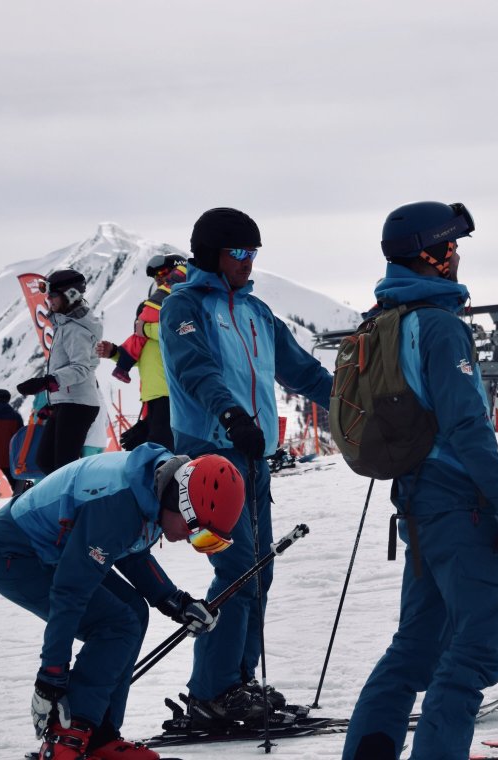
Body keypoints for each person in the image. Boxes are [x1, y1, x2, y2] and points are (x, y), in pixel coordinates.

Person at [343, 201, 498, 760]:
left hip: (418, 505)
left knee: (416, 646)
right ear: (434, 255)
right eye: (453, 246)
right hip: (460, 503)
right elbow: (466, 424)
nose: (458, 256)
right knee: (475, 648)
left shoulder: (386, 322)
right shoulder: (440, 327)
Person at [160, 207, 335, 726]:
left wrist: (355, 403)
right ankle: (212, 692)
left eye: (253, 252)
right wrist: (231, 414)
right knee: (236, 570)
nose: (247, 261)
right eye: (238, 252)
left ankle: (237, 683)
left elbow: (302, 371)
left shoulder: (256, 310)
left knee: (261, 570)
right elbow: (195, 370)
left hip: (253, 457)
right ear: (211, 253)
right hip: (211, 457)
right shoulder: (184, 306)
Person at [0, 447, 242, 760]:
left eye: (206, 540)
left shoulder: (157, 486)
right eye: (194, 531)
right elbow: (71, 592)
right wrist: (51, 674)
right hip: (12, 552)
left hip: (57, 548)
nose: (189, 539)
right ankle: (65, 738)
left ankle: (99, 735)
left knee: (134, 613)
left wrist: (174, 600)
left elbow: (131, 549)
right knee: (116, 623)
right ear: (179, 502)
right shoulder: (118, 505)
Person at [17, 269, 104, 472]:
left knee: (63, 466)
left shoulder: (76, 329)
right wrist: (53, 403)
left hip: (79, 404)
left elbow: (81, 368)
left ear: (71, 295)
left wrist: (46, 382)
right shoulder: (64, 325)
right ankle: (69, 492)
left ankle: (78, 493)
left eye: (53, 295)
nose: (48, 300)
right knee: (46, 462)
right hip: (67, 402)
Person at [97, 255, 186, 451]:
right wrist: (114, 352)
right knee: (154, 453)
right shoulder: (152, 308)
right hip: (153, 395)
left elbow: (178, 334)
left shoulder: (182, 304)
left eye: (163, 272)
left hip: (172, 392)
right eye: (156, 276)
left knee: (162, 453)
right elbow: (142, 353)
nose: (159, 278)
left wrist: (145, 329)